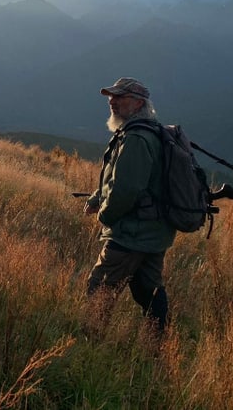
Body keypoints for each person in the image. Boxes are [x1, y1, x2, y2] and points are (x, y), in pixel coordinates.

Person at [83, 77, 174, 334]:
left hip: (132, 234)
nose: (112, 101)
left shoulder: (135, 139)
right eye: (112, 96)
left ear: (138, 103)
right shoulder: (150, 132)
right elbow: (119, 180)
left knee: (99, 287)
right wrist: (95, 198)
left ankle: (91, 343)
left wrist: (105, 215)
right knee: (148, 291)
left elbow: (126, 189)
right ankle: (160, 345)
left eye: (120, 97)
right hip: (153, 231)